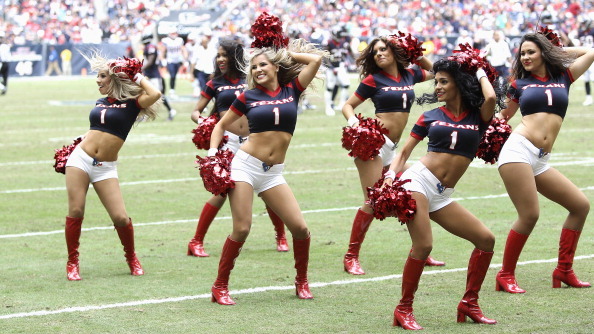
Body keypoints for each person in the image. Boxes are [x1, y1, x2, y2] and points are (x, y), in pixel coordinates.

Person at [383, 56, 504, 329]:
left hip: (442, 194)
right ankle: (404, 309)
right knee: (424, 245)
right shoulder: (430, 116)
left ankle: (469, 304)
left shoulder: (478, 116)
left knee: (486, 239)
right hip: (418, 182)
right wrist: (391, 176)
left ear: (459, 83)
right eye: (435, 81)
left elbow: (490, 99)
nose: (437, 86)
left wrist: (478, 68)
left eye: (444, 81)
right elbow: (404, 152)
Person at [207, 36, 326, 305]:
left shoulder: (291, 90)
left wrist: (282, 54)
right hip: (245, 167)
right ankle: (220, 287)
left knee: (299, 227)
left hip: (273, 172)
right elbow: (219, 126)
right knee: (242, 228)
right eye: (254, 67)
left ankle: (302, 282)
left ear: (274, 67)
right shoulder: (247, 96)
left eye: (263, 65)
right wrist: (214, 155)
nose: (258, 70)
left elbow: (316, 60)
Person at [495, 32, 594, 294]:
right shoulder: (519, 84)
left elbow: (590, 53)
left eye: (531, 52)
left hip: (540, 160)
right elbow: (504, 116)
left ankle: (564, 270)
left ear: (543, 53)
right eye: (522, 54)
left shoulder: (564, 77)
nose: (525, 57)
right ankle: (505, 275)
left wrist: (555, 50)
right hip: (518, 151)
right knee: (530, 215)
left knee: (580, 206)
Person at [341, 35, 444, 276]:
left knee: (415, 189)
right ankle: (351, 257)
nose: (378, 54)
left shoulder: (410, 74)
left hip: (393, 148)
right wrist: (355, 124)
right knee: (373, 200)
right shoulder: (372, 79)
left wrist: (414, 53)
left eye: (383, 49)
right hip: (373, 143)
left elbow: (437, 72)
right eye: (375, 52)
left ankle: (421, 250)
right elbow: (347, 105)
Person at [63, 53, 162, 280]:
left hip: (105, 167)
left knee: (120, 217)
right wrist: (79, 140)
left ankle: (131, 257)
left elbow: (155, 94)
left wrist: (134, 75)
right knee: (76, 210)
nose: (98, 80)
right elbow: (97, 129)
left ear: (115, 78)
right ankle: (72, 262)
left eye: (102, 76)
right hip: (80, 159)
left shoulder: (132, 104)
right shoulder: (100, 102)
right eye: (97, 76)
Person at [188, 38, 289, 257]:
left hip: (254, 142)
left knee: (269, 189)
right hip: (229, 143)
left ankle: (280, 236)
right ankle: (196, 241)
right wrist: (203, 122)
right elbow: (196, 111)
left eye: (225, 54)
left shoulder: (250, 78)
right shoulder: (214, 83)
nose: (220, 59)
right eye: (218, 55)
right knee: (221, 193)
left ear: (235, 56)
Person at [142, 32, 177, 120]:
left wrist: (140, 69)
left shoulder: (150, 47)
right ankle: (145, 114)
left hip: (154, 75)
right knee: (146, 94)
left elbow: (150, 61)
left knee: (158, 95)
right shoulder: (149, 47)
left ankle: (171, 110)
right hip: (149, 75)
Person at [323, 24, 353, 116]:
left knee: (346, 84)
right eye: (339, 35)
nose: (341, 37)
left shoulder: (343, 42)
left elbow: (350, 52)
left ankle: (342, 104)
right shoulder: (328, 42)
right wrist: (331, 67)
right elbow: (325, 56)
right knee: (330, 87)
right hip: (331, 68)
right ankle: (328, 107)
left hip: (340, 66)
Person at [159, 30, 187, 99]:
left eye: (175, 33)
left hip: (177, 60)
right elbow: (163, 50)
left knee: (174, 76)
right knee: (172, 75)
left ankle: (172, 91)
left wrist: (185, 59)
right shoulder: (166, 40)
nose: (174, 34)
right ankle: (171, 91)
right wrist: (162, 59)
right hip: (170, 60)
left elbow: (183, 49)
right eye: (172, 33)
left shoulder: (179, 40)